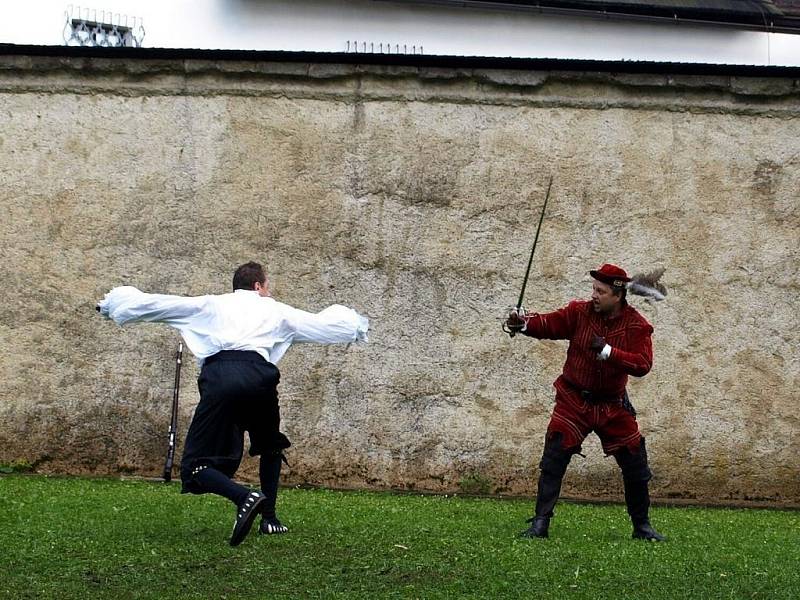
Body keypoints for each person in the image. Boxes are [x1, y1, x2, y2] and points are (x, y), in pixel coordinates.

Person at [97, 261, 368, 546]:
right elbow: (320, 326)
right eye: (267, 286)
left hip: (221, 379)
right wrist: (355, 327)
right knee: (270, 446)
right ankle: (270, 519)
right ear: (257, 286)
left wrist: (113, 306)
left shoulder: (213, 305)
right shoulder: (276, 310)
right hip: (260, 378)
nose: (268, 291)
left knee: (195, 466)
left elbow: (163, 307)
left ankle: (245, 497)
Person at [506, 263, 665, 541]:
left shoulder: (637, 325)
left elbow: (642, 365)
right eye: (593, 289)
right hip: (573, 399)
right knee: (554, 457)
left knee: (635, 464)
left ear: (618, 296)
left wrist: (607, 351)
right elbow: (549, 324)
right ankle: (540, 524)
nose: (594, 295)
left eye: (601, 291)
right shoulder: (579, 313)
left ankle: (642, 527)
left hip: (613, 405)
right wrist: (524, 323)